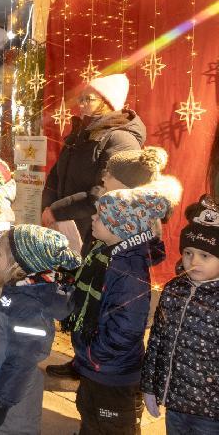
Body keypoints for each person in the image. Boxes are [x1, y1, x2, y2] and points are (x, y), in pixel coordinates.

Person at [48, 146, 170, 380]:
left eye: (110, 173)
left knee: (104, 319)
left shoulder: (132, 222)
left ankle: (93, 359)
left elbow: (126, 317)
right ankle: (82, 359)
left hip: (110, 352)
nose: (103, 176)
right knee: (90, 315)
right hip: (99, 281)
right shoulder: (110, 206)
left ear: (125, 182)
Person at [72, 178, 181, 434]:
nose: (93, 218)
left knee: (113, 426)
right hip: (98, 367)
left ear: (121, 226)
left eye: (101, 216)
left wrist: (93, 353)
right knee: (91, 417)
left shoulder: (128, 270)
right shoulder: (108, 255)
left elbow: (127, 327)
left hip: (111, 373)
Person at [0, 226, 80, 435]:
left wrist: (0, 403)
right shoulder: (16, 291)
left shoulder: (29, 306)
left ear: (17, 264)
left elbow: (22, 360)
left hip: (11, 411)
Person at [142, 195, 219, 434]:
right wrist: (149, 387)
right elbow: (156, 341)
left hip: (211, 413)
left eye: (205, 255)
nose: (194, 261)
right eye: (188, 252)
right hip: (174, 403)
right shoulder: (173, 289)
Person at [41, 74, 145, 246]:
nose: (81, 104)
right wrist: (48, 208)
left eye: (88, 99)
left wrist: (57, 211)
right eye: (80, 99)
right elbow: (56, 175)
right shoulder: (79, 135)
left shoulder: (121, 139)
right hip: (64, 227)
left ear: (107, 102)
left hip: (94, 233)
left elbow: (105, 191)